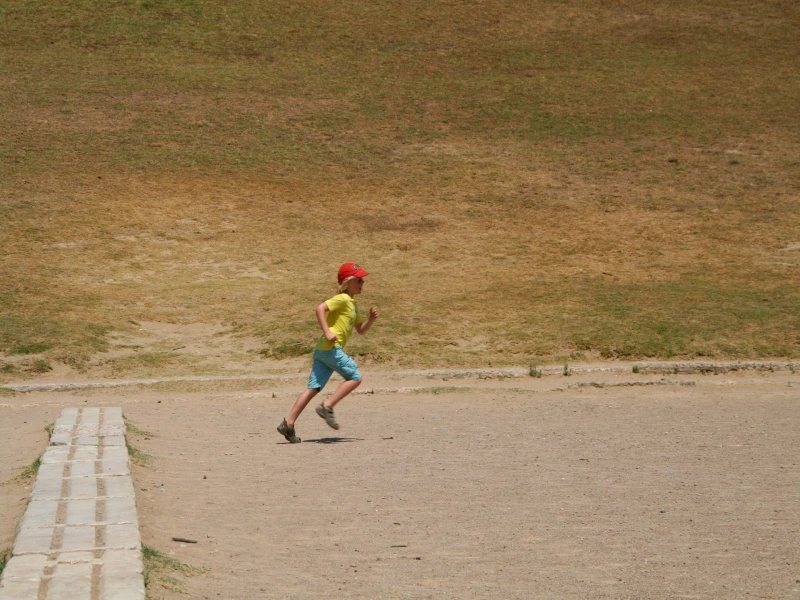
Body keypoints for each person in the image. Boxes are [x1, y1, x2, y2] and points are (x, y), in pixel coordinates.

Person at [277, 263, 379, 443]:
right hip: (331, 348)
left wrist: (370, 320)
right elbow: (320, 308)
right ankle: (327, 406)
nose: (363, 282)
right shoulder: (342, 299)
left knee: (313, 388)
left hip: (322, 351)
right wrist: (327, 331)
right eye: (359, 279)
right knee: (355, 377)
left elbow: (361, 330)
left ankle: (289, 423)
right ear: (347, 282)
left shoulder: (353, 305)